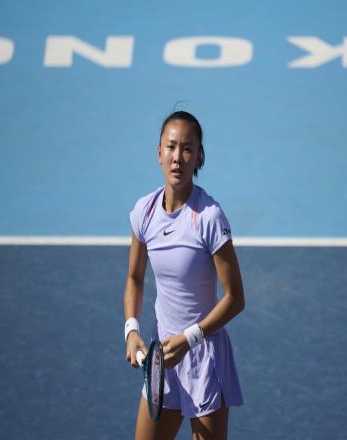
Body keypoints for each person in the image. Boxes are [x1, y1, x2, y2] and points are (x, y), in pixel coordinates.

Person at [123, 110, 245, 440]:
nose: (178, 157)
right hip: (162, 355)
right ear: (159, 152)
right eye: (171, 146)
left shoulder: (209, 217)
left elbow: (235, 298)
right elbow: (134, 277)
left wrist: (190, 338)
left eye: (187, 148)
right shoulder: (145, 212)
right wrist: (131, 330)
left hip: (203, 355)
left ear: (199, 157)